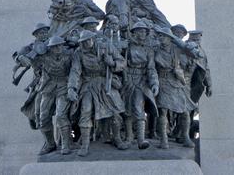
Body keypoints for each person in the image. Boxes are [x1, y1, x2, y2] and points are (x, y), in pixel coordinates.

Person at [68, 30, 128, 157]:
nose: (85, 43)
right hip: (88, 84)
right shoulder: (78, 53)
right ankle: (85, 145)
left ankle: (117, 138)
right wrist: (71, 88)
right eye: (83, 41)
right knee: (86, 110)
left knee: (115, 111)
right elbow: (75, 71)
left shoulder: (106, 47)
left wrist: (112, 63)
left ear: (93, 39)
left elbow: (122, 62)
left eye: (88, 40)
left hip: (106, 81)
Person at [155, 27, 197, 149]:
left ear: (169, 38)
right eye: (159, 36)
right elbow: (151, 67)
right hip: (162, 81)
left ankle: (186, 137)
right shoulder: (155, 50)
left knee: (185, 111)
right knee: (163, 111)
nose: (160, 38)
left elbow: (193, 54)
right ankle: (164, 139)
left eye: (163, 36)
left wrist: (178, 41)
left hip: (177, 81)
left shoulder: (177, 49)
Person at [121, 21, 159, 149]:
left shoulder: (148, 49)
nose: (142, 34)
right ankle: (129, 137)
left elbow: (151, 68)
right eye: (140, 31)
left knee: (138, 107)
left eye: (144, 31)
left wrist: (154, 83)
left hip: (141, 80)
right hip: (127, 80)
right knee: (126, 109)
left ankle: (141, 140)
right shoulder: (127, 47)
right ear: (134, 33)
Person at [37, 36, 72, 155]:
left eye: (60, 45)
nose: (58, 48)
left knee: (61, 115)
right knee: (43, 117)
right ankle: (50, 144)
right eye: (55, 46)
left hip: (64, 86)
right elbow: (25, 54)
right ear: (50, 48)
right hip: (48, 87)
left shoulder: (69, 56)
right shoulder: (44, 57)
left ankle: (66, 144)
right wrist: (20, 56)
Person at [13, 23, 49, 129]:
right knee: (33, 100)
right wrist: (20, 58)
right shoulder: (30, 47)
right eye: (41, 33)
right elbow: (17, 55)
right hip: (39, 78)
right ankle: (33, 118)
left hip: (55, 76)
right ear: (36, 35)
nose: (44, 34)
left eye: (45, 32)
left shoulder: (53, 43)